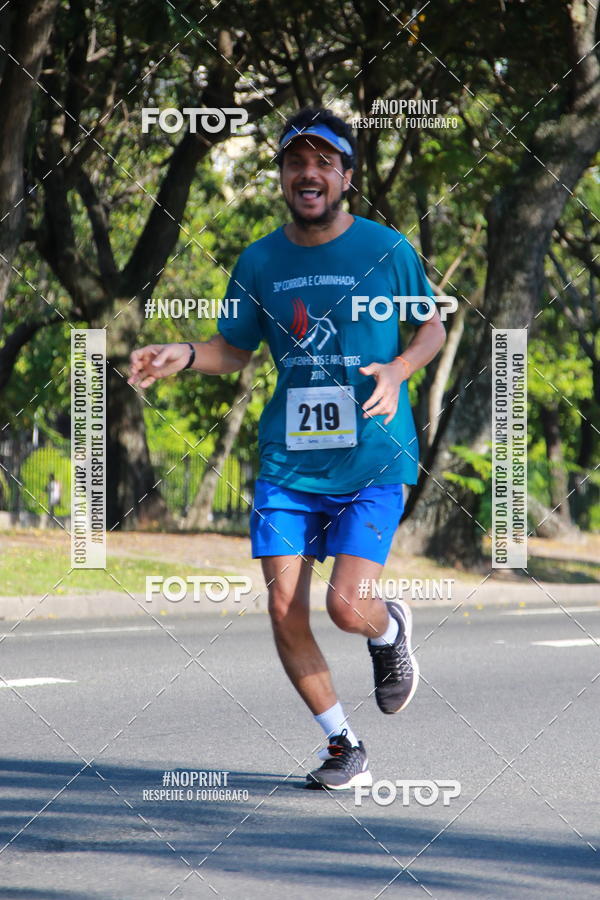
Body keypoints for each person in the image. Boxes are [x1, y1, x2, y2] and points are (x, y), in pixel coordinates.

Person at [129, 107, 446, 790]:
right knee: (281, 608)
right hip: (288, 464)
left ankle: (388, 628)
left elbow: (431, 331)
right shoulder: (261, 260)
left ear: (346, 177)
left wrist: (397, 371)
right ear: (282, 177)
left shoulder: (387, 251)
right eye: (296, 162)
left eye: (323, 161)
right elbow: (233, 351)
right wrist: (179, 355)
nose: (308, 173)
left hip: (372, 458)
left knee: (344, 607)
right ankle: (343, 746)